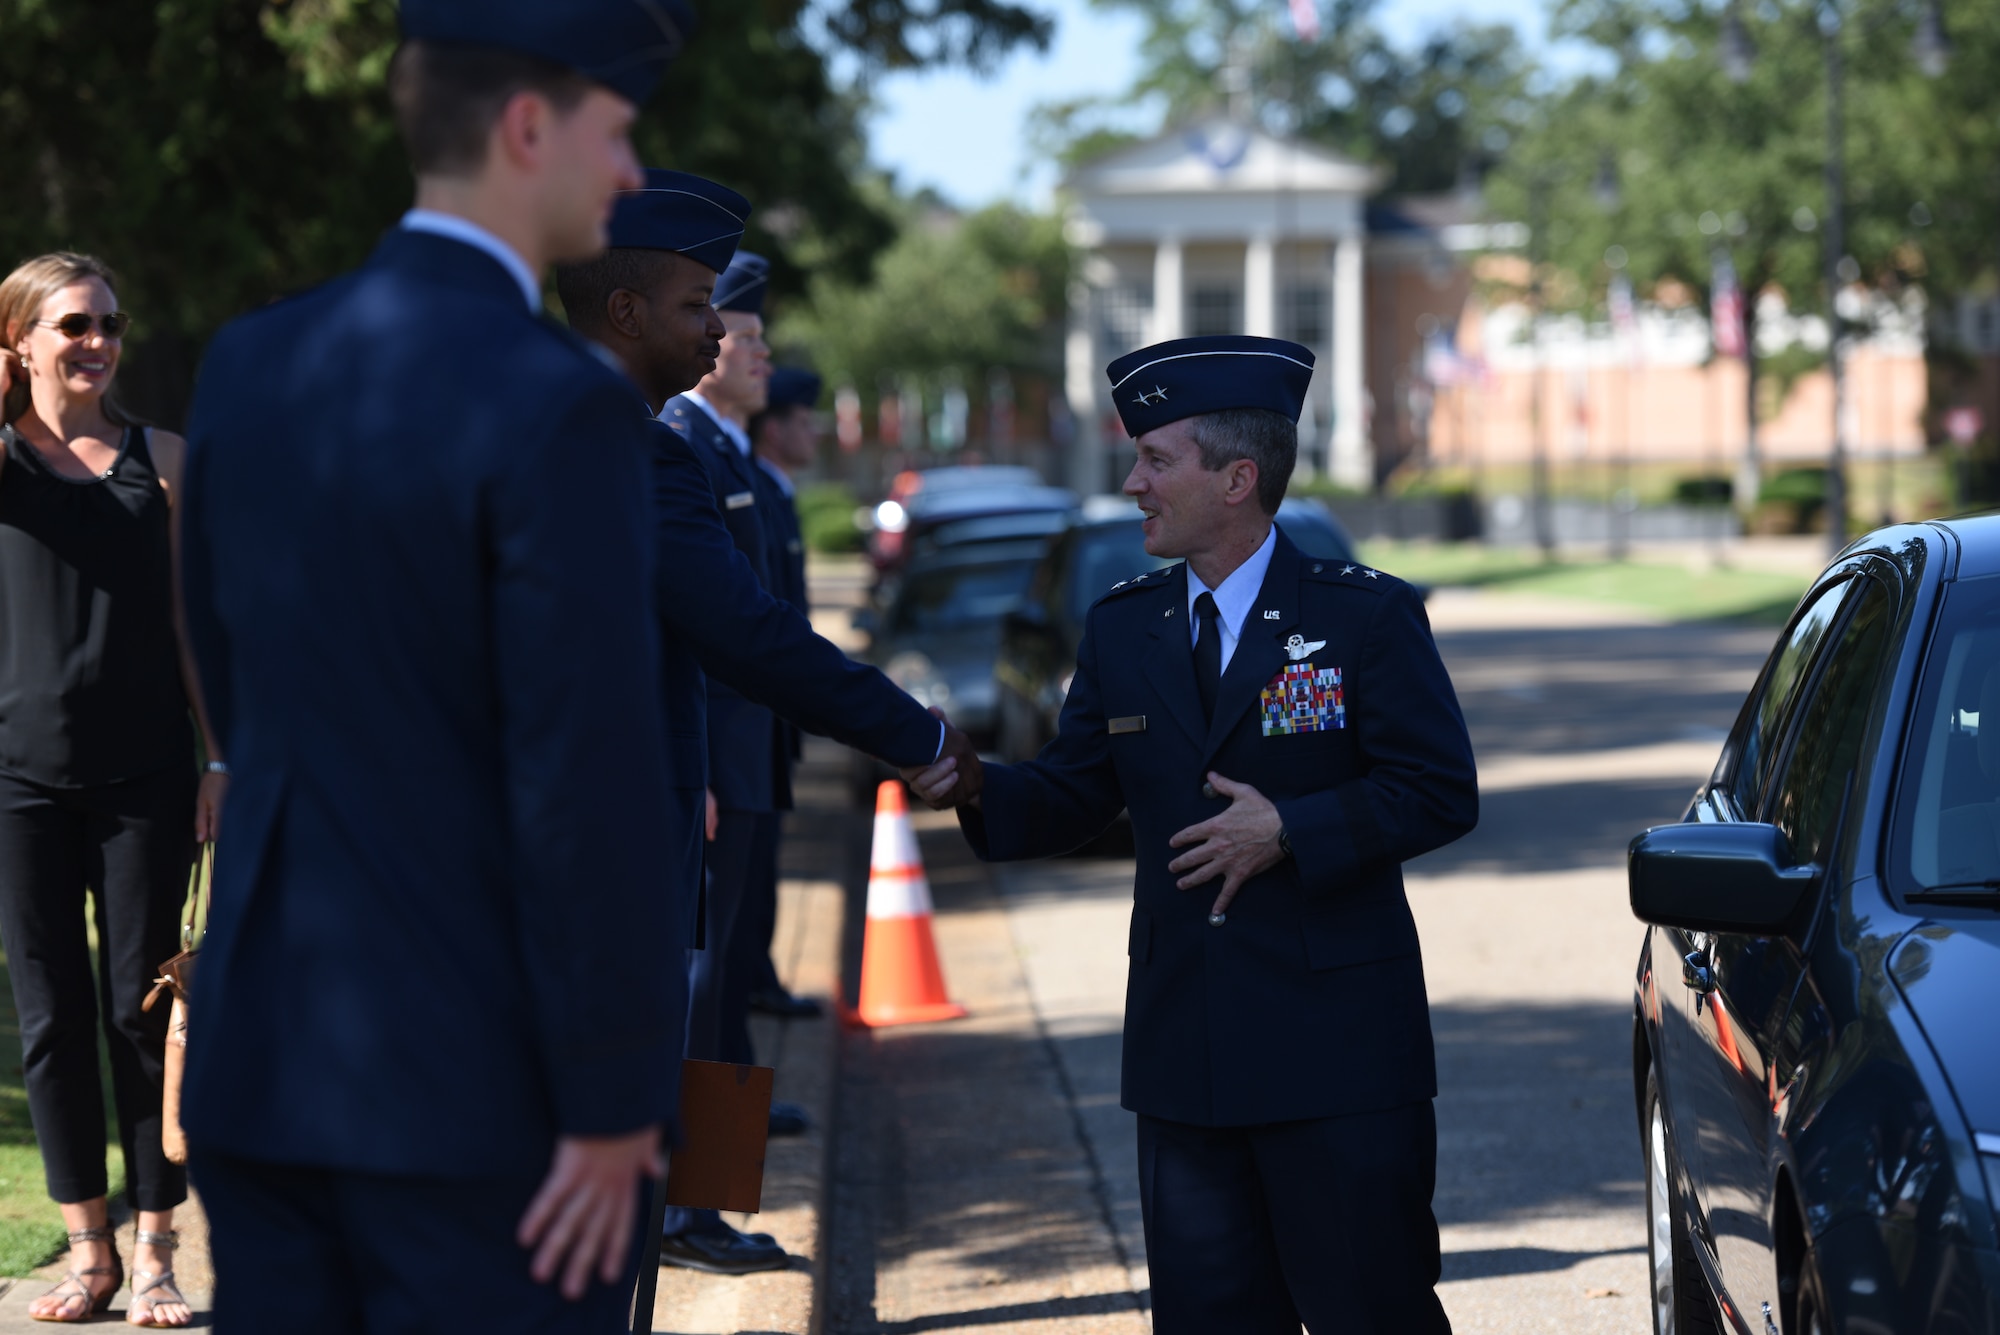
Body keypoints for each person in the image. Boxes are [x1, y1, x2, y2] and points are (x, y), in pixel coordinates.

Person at [176, 3, 699, 1329]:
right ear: (530, 126)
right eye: (618, 130)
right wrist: (614, 1096)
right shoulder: (561, 400)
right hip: (482, 1098)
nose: (632, 174)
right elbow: (585, 774)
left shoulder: (249, 362)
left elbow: (232, 679)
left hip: (270, 1057)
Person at [907, 335, 1479, 1332]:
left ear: (1236, 478)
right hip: (1188, 1059)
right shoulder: (1123, 628)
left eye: (1154, 460)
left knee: (1369, 1312)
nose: (1132, 483)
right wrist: (973, 785)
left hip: (1337, 1059)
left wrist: (1290, 828)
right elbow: (1073, 793)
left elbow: (1437, 790)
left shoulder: (1364, 620)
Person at [555, 171, 977, 1275]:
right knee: (690, 1003)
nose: (725, 338)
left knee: (728, 983)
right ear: (627, 310)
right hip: (675, 780)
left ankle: (708, 1196)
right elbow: (745, 627)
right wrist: (919, 737)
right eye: (704, 310)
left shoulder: (677, 450)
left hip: (729, 755)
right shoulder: (649, 450)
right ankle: (691, 1210)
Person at [0, 253, 220, 1328]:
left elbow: (194, 629)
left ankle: (156, 1254)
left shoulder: (163, 459)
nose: (96, 343)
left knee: (145, 1018)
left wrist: (219, 759)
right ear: (22, 342)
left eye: (110, 325)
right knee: (49, 1022)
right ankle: (87, 1253)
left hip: (147, 777)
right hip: (17, 782)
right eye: (72, 325)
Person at [742, 367, 820, 1021]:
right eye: (803, 418)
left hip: (770, 713)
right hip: (746, 715)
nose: (814, 429)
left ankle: (758, 976)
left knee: (760, 867)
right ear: (773, 427)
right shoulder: (750, 485)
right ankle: (752, 981)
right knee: (743, 878)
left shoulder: (774, 490)